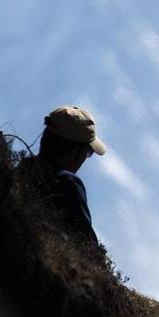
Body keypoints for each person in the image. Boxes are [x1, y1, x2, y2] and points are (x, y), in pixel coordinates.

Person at [32, 105, 107, 244]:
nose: (85, 158)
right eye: (88, 152)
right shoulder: (68, 183)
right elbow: (88, 247)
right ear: (76, 153)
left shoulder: (25, 167)